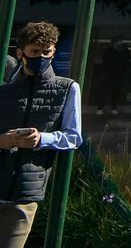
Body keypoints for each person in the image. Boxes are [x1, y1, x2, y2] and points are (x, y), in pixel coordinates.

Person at [0, 22, 82, 246]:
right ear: (21, 53)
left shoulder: (67, 88)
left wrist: (42, 139)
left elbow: (73, 137)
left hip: (24, 195)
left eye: (47, 52)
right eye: (35, 52)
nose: (41, 57)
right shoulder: (5, 89)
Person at [92, 36, 131, 116]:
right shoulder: (109, 51)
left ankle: (113, 108)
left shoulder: (124, 51)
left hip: (117, 75)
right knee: (104, 92)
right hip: (108, 74)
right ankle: (100, 108)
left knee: (115, 93)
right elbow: (106, 61)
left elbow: (126, 59)